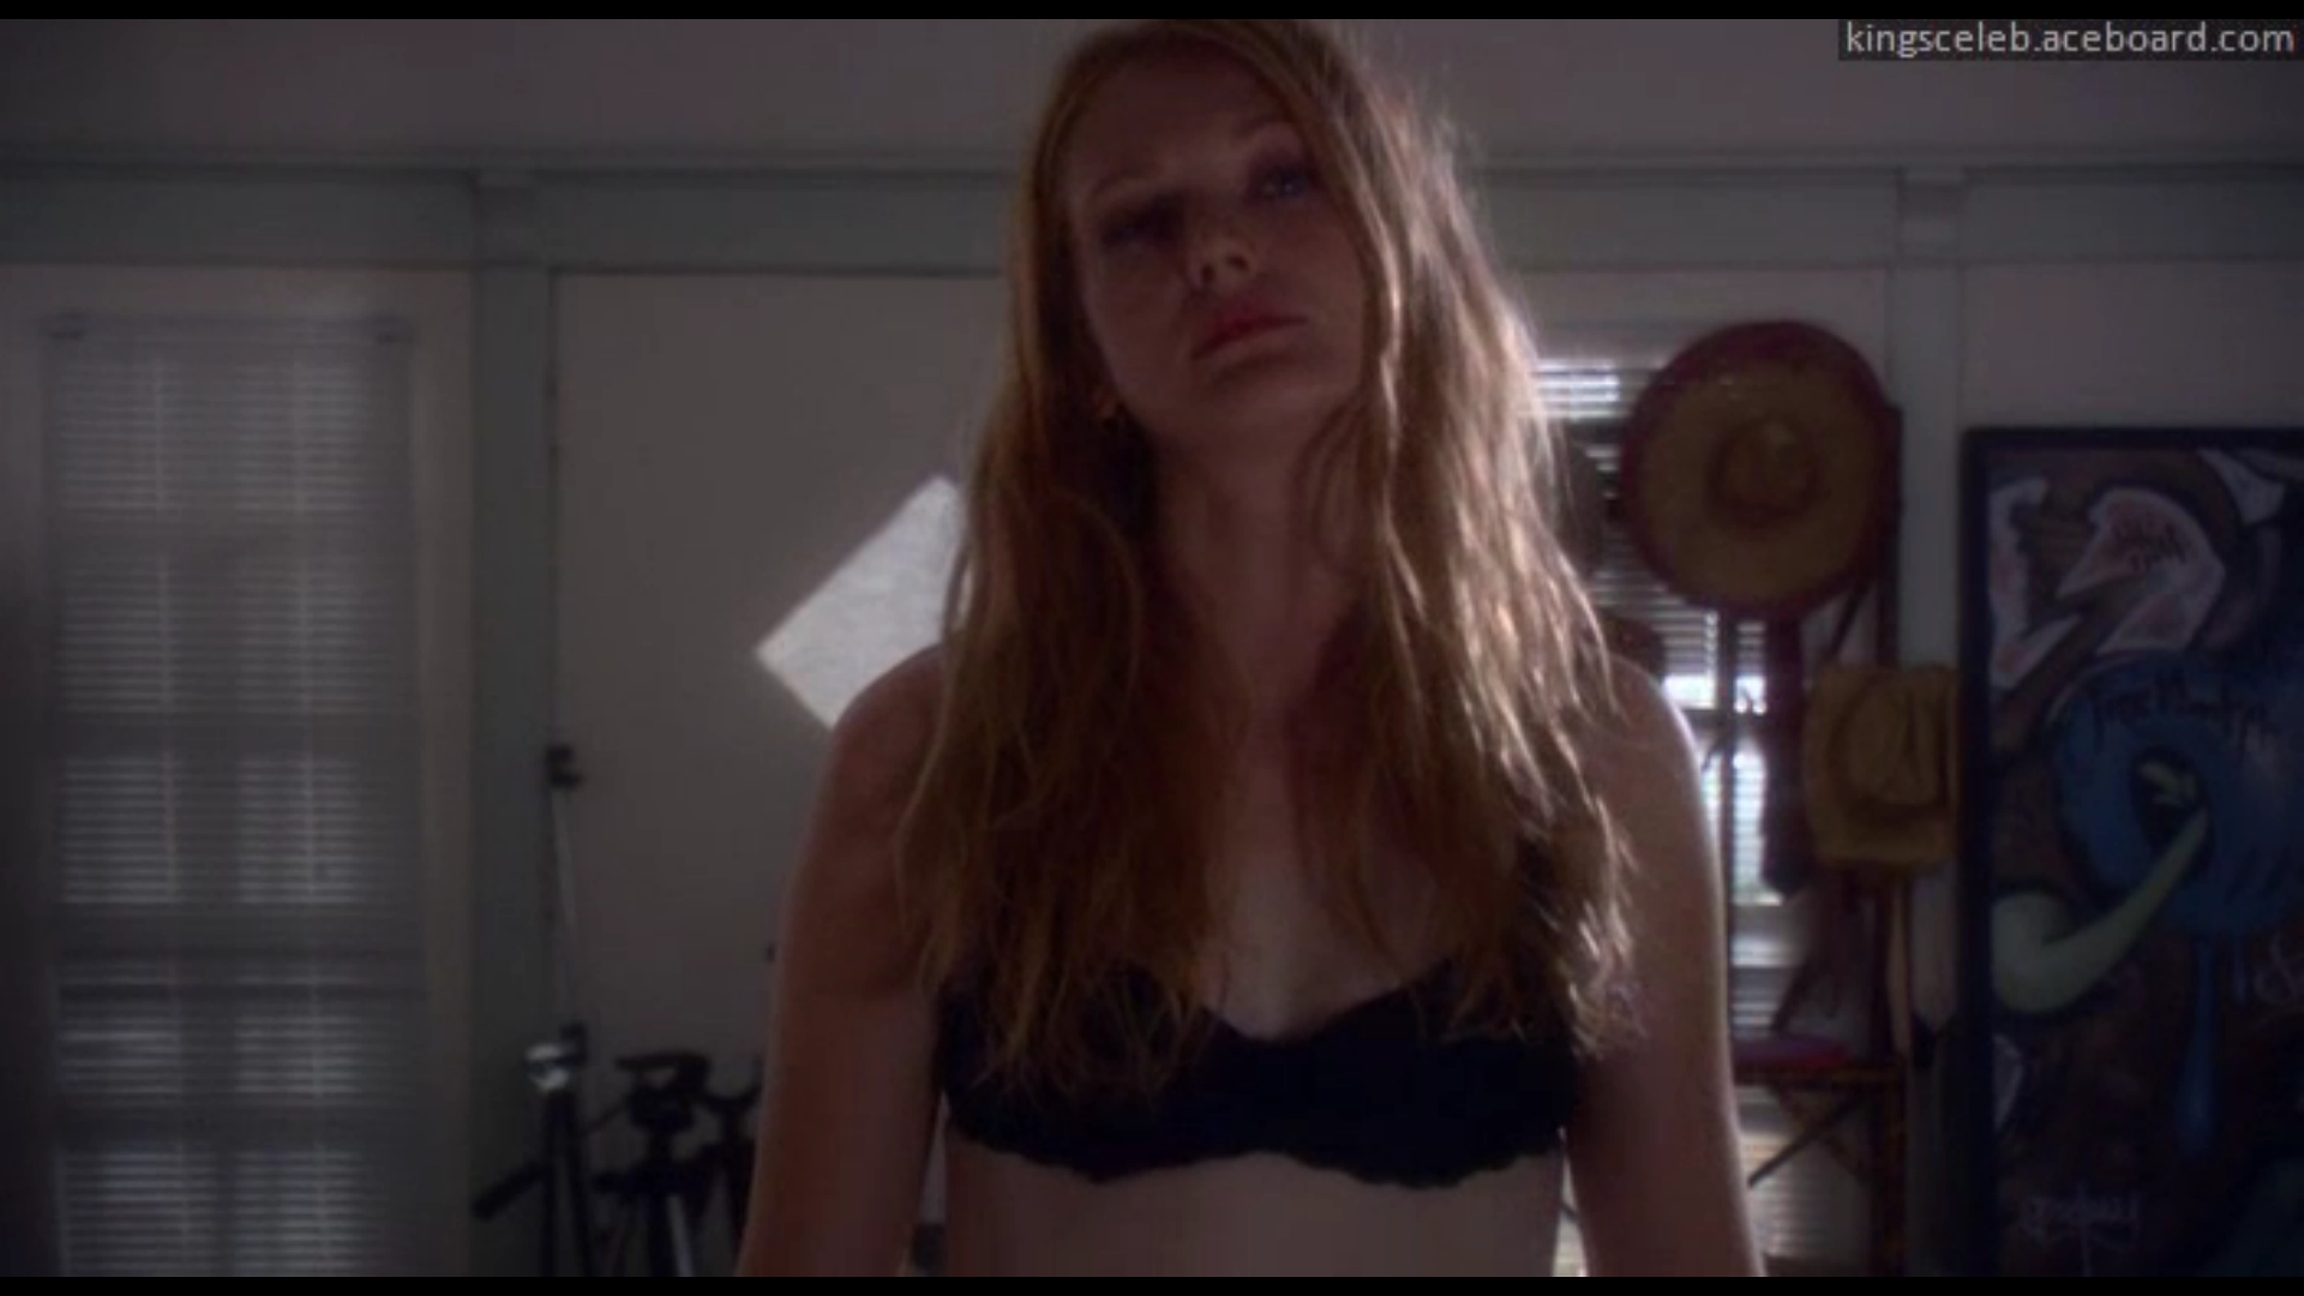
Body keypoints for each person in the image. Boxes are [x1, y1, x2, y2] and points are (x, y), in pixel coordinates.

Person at [735, 18, 1760, 1276]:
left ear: (1397, 249)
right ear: (1082, 344)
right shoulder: (932, 760)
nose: (1217, 248)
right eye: (1140, 222)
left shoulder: (1596, 757)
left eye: (1283, 179)